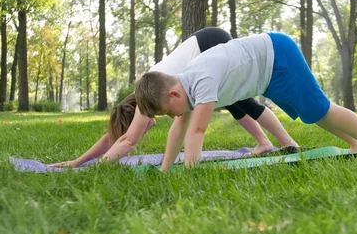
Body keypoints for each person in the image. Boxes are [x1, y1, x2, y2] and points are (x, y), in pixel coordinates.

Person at [134, 32, 357, 172]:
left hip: (278, 57)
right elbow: (179, 129)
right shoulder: (185, 87)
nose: (172, 117)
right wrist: (165, 170)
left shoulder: (201, 78)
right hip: (267, 74)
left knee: (320, 108)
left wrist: (189, 171)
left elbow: (197, 130)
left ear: (173, 95)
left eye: (168, 112)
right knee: (312, 114)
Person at [47, 28, 297, 168]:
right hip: (205, 40)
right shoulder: (145, 93)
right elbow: (116, 137)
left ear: (136, 113)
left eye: (141, 126)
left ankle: (283, 142)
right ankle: (267, 142)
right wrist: (79, 160)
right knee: (236, 102)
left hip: (209, 43)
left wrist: (97, 165)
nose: (144, 130)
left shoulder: (146, 99)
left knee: (240, 101)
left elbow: (126, 140)